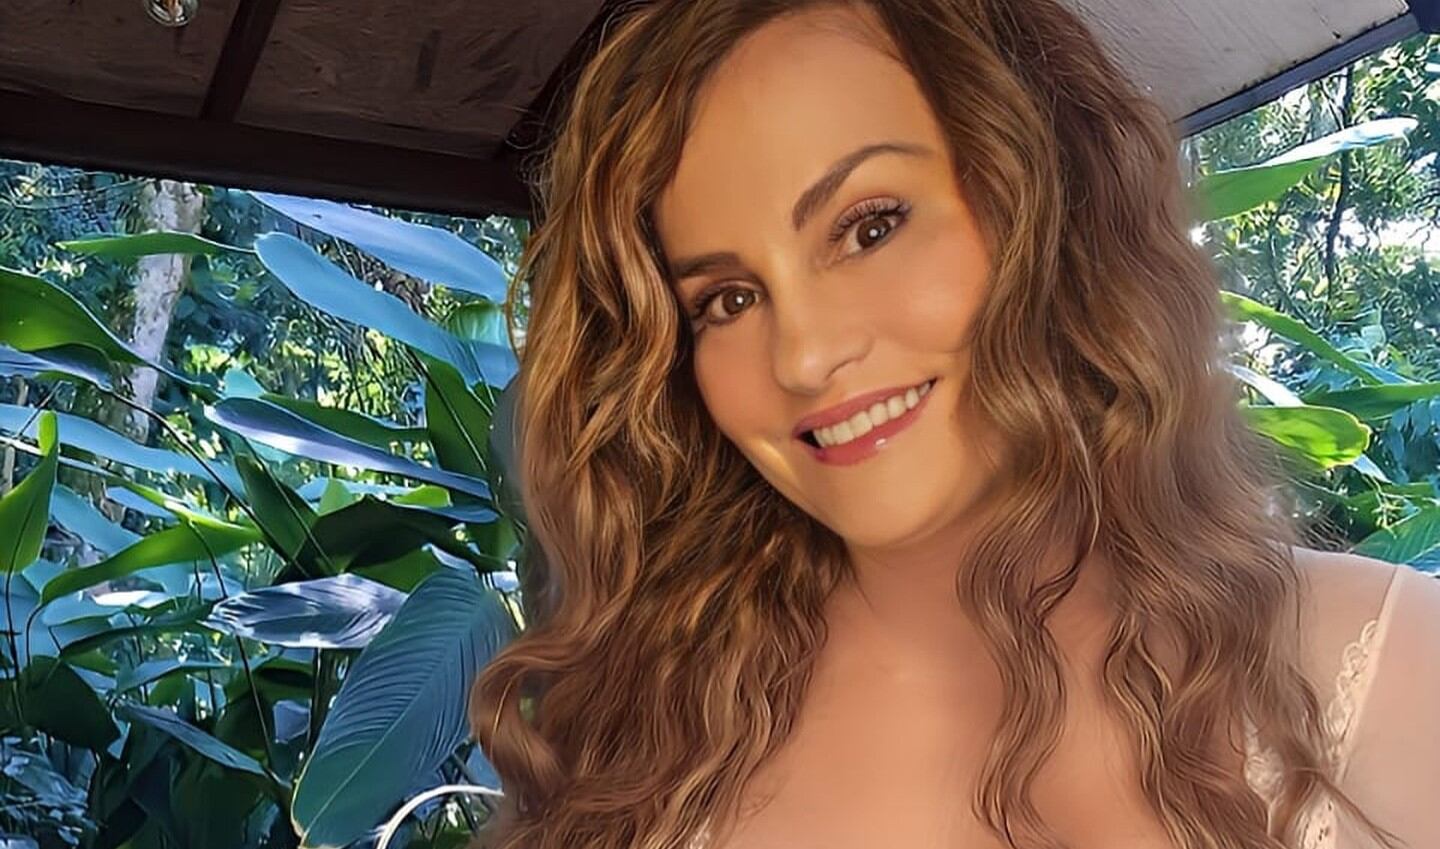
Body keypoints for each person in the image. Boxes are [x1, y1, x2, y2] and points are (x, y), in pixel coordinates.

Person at [468, 1, 1440, 847]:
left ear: (1047, 204)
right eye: (726, 300)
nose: (803, 356)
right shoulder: (651, 739)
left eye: (869, 227)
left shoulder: (1385, 669)